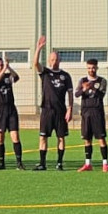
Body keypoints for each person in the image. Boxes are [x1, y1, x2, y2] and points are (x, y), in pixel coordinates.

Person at [32, 36, 73, 171]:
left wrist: (70, 109)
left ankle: (59, 163)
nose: (54, 62)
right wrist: (39, 48)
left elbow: (70, 93)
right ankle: (42, 163)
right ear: (49, 61)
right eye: (52, 59)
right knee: (43, 137)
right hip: (47, 110)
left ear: (60, 60)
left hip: (60, 111)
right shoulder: (45, 72)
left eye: (56, 59)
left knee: (61, 137)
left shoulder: (65, 76)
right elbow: (35, 63)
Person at [0, 55, 24, 170]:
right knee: (0, 138)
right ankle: (1, 163)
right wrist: (4, 69)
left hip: (11, 109)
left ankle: (19, 163)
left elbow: (17, 77)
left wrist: (9, 67)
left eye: (1, 65)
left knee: (15, 136)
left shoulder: (8, 76)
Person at [75, 58, 108, 172]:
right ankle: (88, 164)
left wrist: (92, 87)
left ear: (97, 68)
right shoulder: (82, 80)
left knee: (101, 138)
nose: (91, 70)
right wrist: (84, 89)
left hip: (97, 112)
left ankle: (105, 164)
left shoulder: (102, 81)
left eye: (93, 68)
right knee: (87, 139)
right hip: (86, 112)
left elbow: (101, 95)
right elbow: (76, 94)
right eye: (89, 68)